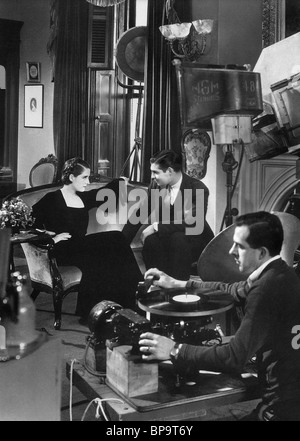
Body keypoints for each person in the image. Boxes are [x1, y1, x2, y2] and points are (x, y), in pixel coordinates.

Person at [139, 211, 300, 421]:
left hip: (282, 408)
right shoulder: (281, 272)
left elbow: (234, 357)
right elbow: (232, 289)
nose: (231, 251)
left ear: (261, 253)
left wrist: (174, 349)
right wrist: (180, 284)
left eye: (240, 247)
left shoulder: (265, 289)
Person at [32, 157, 142, 321]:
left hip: (80, 247)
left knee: (114, 242)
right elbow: (30, 223)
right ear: (71, 178)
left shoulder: (82, 198)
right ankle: (136, 295)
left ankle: (126, 303)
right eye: (84, 177)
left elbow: (102, 193)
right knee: (115, 240)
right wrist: (52, 238)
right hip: (62, 250)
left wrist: (121, 182)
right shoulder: (51, 199)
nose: (88, 182)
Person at [122, 150, 214, 280]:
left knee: (178, 239)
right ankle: (156, 285)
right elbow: (140, 214)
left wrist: (155, 227)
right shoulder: (156, 186)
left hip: (194, 238)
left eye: (156, 172)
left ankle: (178, 289)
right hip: (169, 236)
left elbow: (193, 222)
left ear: (170, 171)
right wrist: (121, 242)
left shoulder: (197, 188)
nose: (152, 177)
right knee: (150, 241)